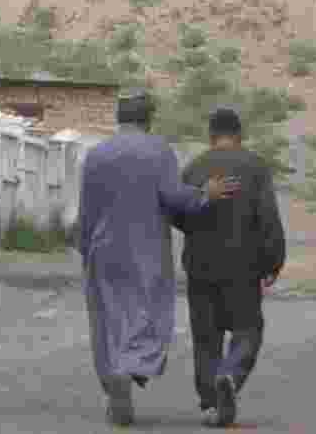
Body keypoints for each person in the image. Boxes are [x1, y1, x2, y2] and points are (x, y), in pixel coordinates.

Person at [78, 89, 239, 427]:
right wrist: (204, 194)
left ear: (119, 117)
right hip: (145, 248)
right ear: (148, 117)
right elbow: (173, 197)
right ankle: (129, 367)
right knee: (147, 311)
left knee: (108, 317)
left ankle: (114, 379)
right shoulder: (158, 150)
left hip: (102, 247)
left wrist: (85, 248)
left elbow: (86, 211)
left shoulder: (96, 154)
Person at [175, 107, 286, 428]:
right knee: (248, 329)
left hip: (200, 266)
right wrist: (273, 261)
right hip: (243, 267)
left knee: (206, 337)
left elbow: (179, 214)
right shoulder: (255, 167)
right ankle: (231, 374)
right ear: (239, 134)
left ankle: (212, 402)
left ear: (211, 135)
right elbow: (268, 217)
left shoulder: (195, 167)